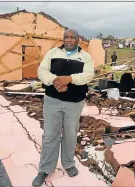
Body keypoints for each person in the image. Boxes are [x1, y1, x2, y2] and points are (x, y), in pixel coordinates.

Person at [32, 29, 94, 187]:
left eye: (72, 37)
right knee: (50, 135)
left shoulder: (85, 57)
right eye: (66, 37)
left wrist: (70, 79)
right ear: (63, 39)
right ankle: (45, 169)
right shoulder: (53, 53)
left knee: (70, 134)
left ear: (78, 40)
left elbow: (88, 75)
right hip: (53, 100)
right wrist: (55, 81)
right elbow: (42, 71)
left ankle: (68, 163)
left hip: (74, 102)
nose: (69, 40)